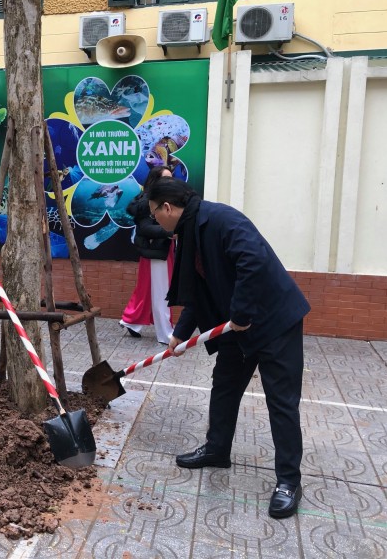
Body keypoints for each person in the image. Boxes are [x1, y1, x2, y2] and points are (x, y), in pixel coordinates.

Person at [146, 178, 310, 519]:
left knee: (281, 402)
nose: (155, 222)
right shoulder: (190, 233)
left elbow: (252, 260)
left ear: (167, 208)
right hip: (240, 324)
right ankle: (218, 449)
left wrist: (241, 314)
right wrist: (180, 333)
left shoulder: (221, 219)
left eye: (154, 214)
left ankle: (288, 482)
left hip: (274, 321)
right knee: (224, 388)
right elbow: (201, 288)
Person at [120, 165, 174, 344]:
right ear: (155, 180)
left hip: (161, 250)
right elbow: (145, 228)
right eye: (165, 178)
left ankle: (132, 321)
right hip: (157, 251)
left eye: (170, 178)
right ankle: (166, 334)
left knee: (151, 289)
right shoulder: (148, 201)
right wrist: (169, 231)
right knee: (163, 293)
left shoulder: (160, 198)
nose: (169, 182)